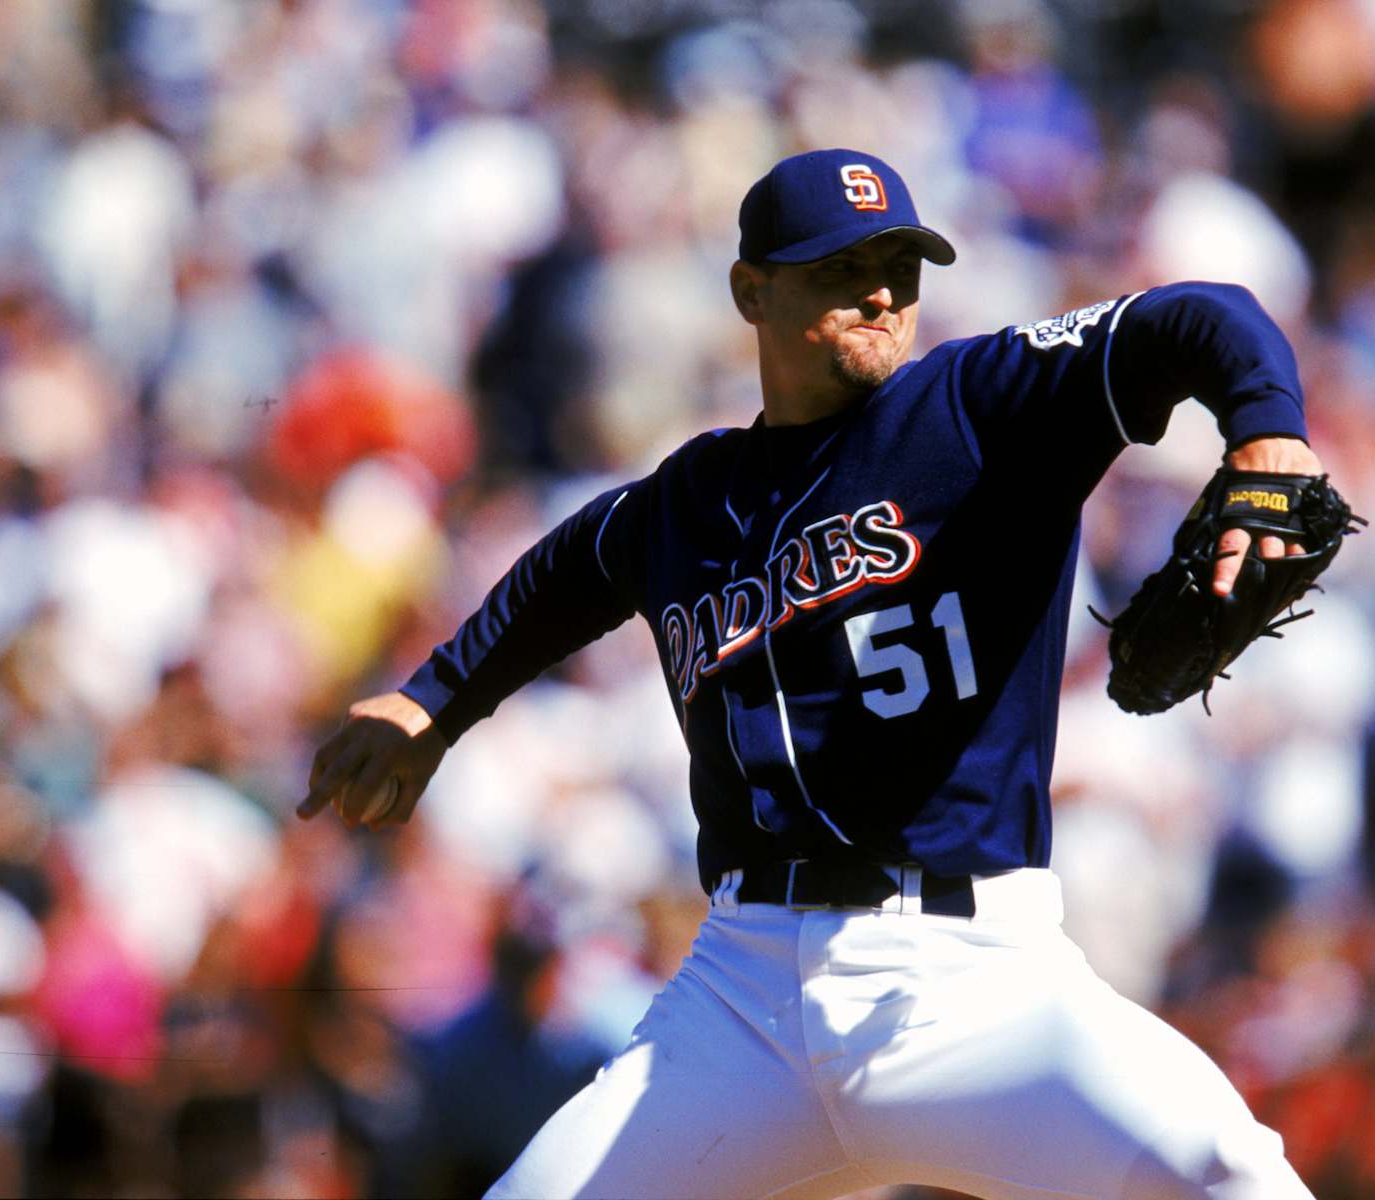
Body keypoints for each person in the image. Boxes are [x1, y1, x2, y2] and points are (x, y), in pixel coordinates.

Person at [300, 148, 1319, 1198]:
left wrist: (1268, 431)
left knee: (1230, 1171)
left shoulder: (978, 406)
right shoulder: (688, 502)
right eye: (843, 267)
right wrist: (433, 700)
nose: (883, 291)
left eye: (903, 265)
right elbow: (566, 573)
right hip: (744, 1000)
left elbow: (1201, 316)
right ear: (753, 290)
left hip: (972, 977)